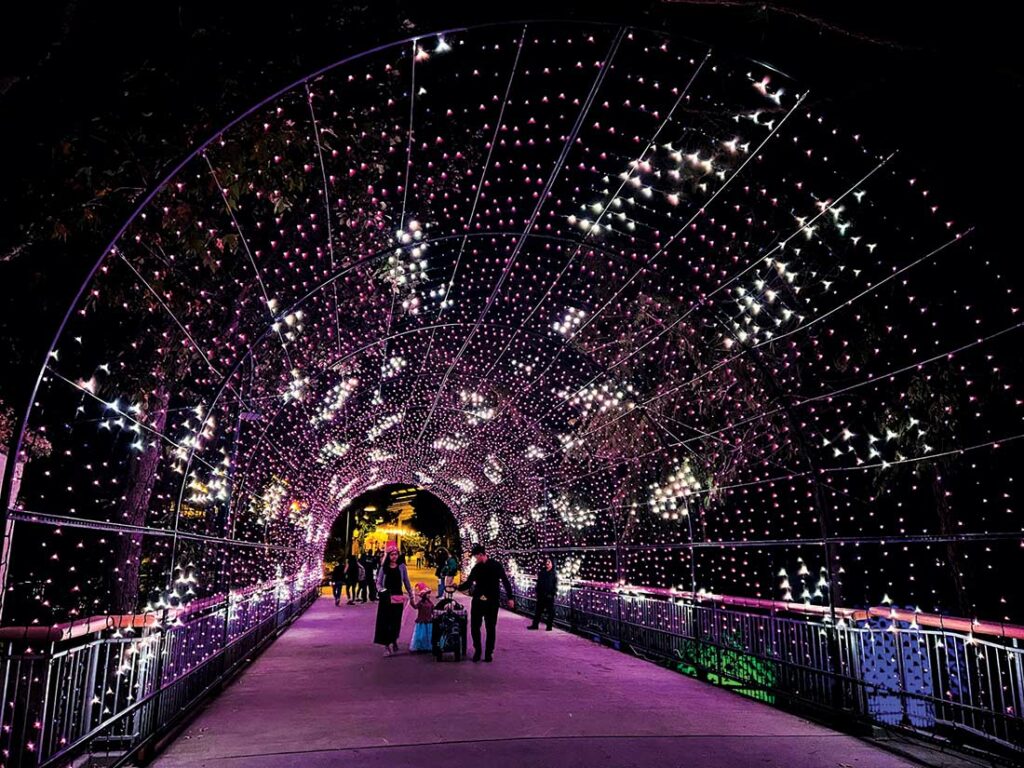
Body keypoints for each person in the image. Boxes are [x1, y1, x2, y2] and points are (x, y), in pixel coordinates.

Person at [457, 544, 514, 663]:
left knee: (490, 627)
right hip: (479, 600)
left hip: (491, 601)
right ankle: (478, 650)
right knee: (475, 627)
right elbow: (469, 583)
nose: (475, 559)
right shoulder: (477, 567)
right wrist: (458, 587)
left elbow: (505, 580)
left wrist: (510, 597)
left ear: (481, 555)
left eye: (476, 557)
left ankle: (488, 653)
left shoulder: (495, 565)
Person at [374, 546, 414, 656]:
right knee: (385, 622)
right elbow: (378, 582)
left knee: (396, 622)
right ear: (388, 556)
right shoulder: (384, 568)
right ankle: (387, 646)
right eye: (392, 554)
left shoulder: (402, 567)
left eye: (396, 554)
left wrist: (411, 595)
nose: (394, 556)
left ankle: (394, 639)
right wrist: (381, 590)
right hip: (386, 598)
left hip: (398, 597)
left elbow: (406, 581)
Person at [528, 557, 557, 631]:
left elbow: (554, 585)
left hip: (549, 596)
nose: (547, 563)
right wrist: (538, 591)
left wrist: (552, 594)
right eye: (547, 561)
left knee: (550, 612)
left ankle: (549, 626)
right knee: (538, 611)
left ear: (552, 564)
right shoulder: (542, 572)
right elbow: (538, 583)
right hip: (541, 595)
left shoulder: (553, 574)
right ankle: (535, 625)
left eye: (549, 562)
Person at [408, 583, 435, 653]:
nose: (429, 595)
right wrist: (411, 600)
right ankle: (419, 646)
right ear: (424, 595)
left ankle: (427, 647)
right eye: (427, 594)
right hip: (421, 621)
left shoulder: (430, 603)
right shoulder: (421, 603)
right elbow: (415, 607)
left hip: (429, 621)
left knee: (428, 635)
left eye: (429, 593)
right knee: (421, 636)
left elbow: (433, 611)